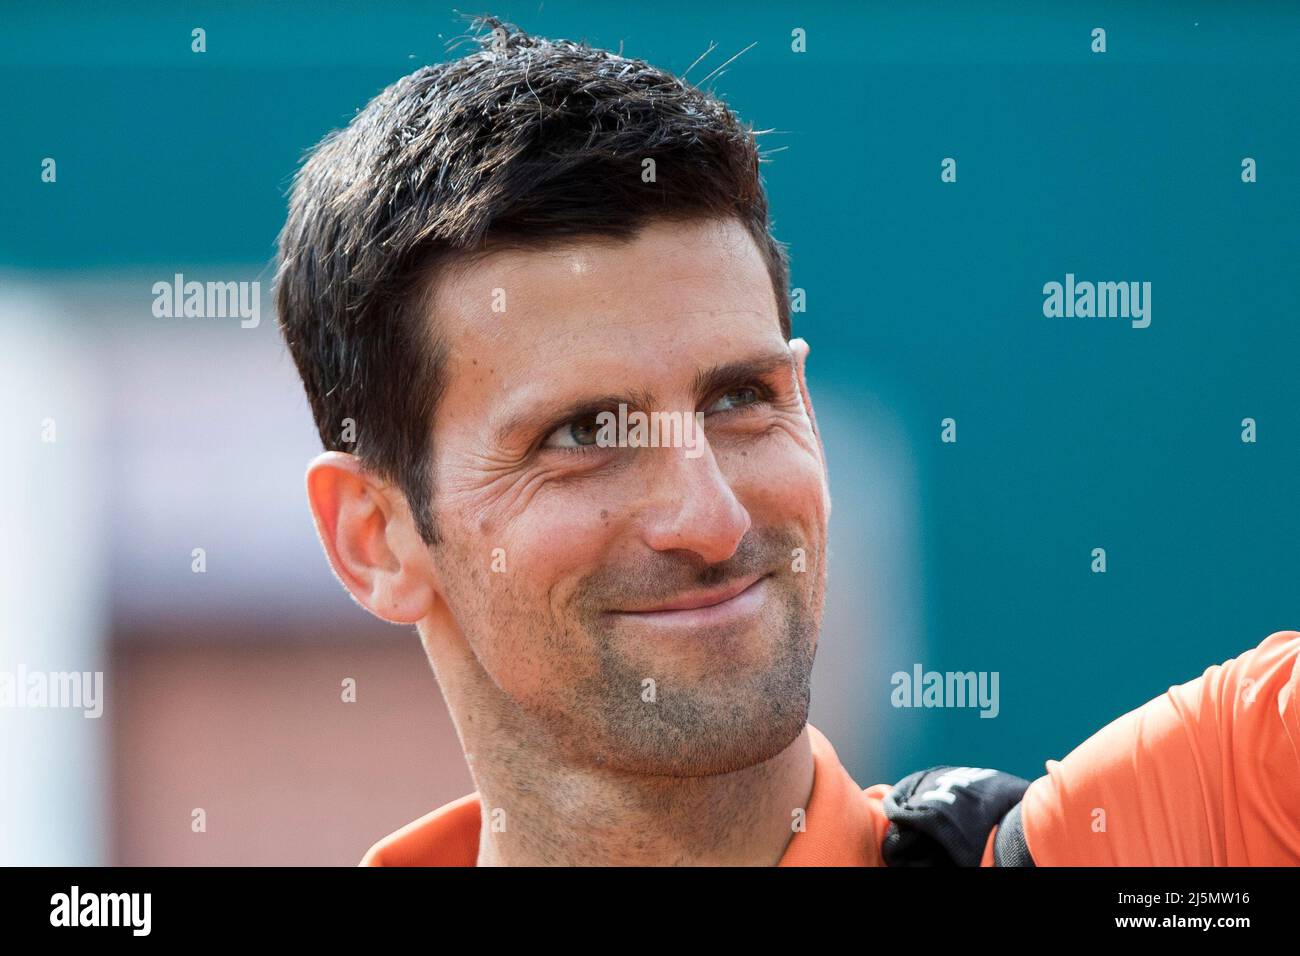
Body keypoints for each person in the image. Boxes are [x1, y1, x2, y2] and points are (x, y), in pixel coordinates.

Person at [273, 16, 1300, 866]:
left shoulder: (1199, 823)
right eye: (585, 432)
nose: (711, 517)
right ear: (376, 534)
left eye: (738, 398)